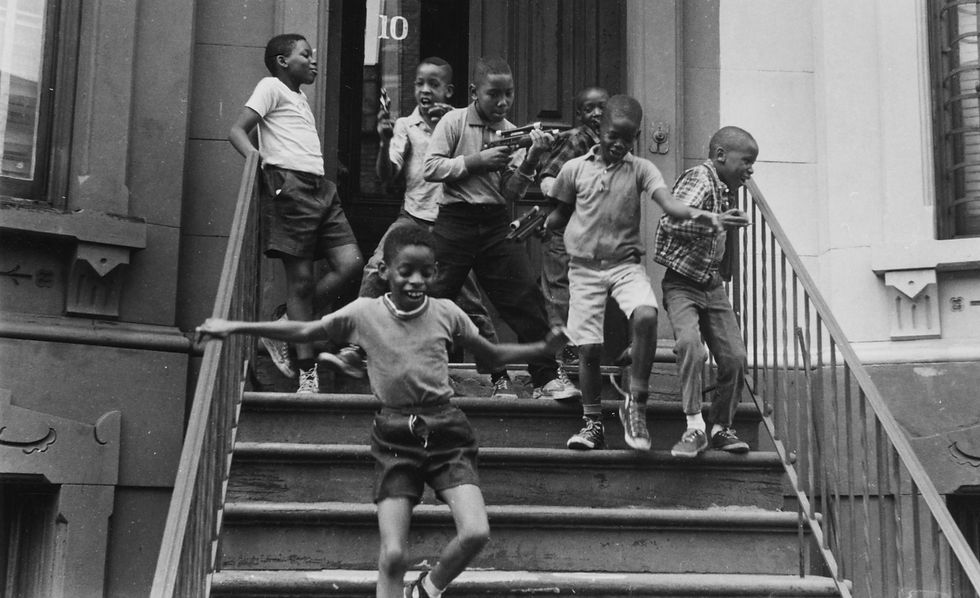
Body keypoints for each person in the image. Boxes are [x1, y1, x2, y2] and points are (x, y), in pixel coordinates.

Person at [195, 224, 569, 598]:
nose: (416, 281)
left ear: (436, 272)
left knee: (475, 532)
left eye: (426, 272)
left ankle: (427, 589)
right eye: (406, 272)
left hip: (447, 432)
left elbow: (494, 355)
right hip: (394, 436)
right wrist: (234, 326)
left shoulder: (447, 312)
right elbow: (305, 331)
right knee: (392, 554)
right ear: (385, 272)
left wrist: (540, 349)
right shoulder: (363, 313)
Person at [328, 57, 517, 398]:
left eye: (434, 84)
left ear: (451, 90)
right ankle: (356, 348)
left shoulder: (462, 123)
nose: (425, 91)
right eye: (419, 84)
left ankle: (499, 373)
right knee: (375, 268)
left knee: (469, 303)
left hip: (451, 225)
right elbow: (387, 176)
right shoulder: (406, 125)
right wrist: (384, 142)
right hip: (412, 217)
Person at [544, 95, 724, 451]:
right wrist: (544, 226)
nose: (619, 144)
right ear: (600, 129)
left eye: (628, 138)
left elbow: (670, 203)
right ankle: (592, 422)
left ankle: (635, 403)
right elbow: (559, 214)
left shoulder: (641, 168)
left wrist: (707, 217)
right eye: (613, 135)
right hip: (583, 269)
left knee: (645, 315)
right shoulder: (575, 169)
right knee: (590, 349)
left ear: (637, 136)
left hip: (625, 266)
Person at [422, 56, 580, 401]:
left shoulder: (512, 133)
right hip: (455, 221)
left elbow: (511, 193)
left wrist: (534, 159)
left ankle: (546, 379)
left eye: (508, 94)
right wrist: (474, 162)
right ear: (473, 92)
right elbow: (430, 167)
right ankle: (416, 373)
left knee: (526, 297)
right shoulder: (453, 121)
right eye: (494, 94)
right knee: (432, 299)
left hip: (494, 225)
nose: (503, 102)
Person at [228, 33, 363, 393]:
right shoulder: (270, 86)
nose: (313, 60)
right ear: (283, 61)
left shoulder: (300, 98)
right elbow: (238, 130)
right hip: (290, 188)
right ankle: (307, 373)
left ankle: (287, 324)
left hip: (320, 188)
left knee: (351, 264)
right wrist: (259, 165)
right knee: (301, 283)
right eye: (306, 54)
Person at [654, 125, 756, 458]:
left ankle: (720, 427)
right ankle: (695, 426)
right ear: (720, 155)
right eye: (747, 161)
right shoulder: (700, 178)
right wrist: (716, 221)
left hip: (711, 285)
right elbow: (671, 222)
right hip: (682, 284)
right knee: (690, 347)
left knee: (735, 358)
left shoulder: (724, 187)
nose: (750, 169)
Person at [537, 86, 609, 368]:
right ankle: (561, 354)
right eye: (589, 109)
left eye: (601, 107)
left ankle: (576, 351)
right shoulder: (578, 140)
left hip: (588, 233)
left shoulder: (608, 145)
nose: (596, 113)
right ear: (579, 114)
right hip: (562, 230)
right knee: (559, 292)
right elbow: (548, 179)